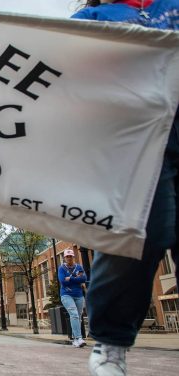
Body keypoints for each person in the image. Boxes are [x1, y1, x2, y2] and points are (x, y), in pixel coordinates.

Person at [72, 1, 179, 374]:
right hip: (134, 138)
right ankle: (111, 343)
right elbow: (67, 68)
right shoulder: (94, 18)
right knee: (143, 231)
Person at [59, 248, 87, 348]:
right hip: (66, 295)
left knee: (78, 317)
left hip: (79, 295)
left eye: (70, 256)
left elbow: (84, 278)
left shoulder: (79, 267)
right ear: (64, 258)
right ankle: (79, 338)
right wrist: (77, 279)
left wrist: (70, 278)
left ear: (73, 257)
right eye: (67, 256)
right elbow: (63, 281)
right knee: (74, 314)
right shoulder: (62, 268)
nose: (69, 258)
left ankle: (75, 340)